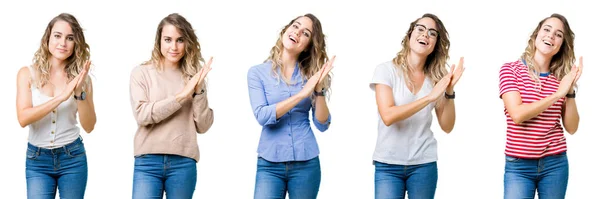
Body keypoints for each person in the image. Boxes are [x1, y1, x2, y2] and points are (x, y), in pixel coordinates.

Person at [369, 13, 464, 199]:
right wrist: (429, 98)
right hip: (388, 164)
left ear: (435, 44)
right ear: (410, 35)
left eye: (432, 33)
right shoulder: (385, 70)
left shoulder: (436, 77)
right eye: (420, 29)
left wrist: (449, 91)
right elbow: (388, 116)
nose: (425, 35)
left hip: (424, 164)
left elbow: (447, 126)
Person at [247, 13, 335, 199]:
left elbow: (322, 124)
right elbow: (262, 116)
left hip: (307, 163)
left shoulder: (310, 76)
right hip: (270, 164)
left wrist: (318, 90)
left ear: (308, 46)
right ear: (285, 30)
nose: (297, 32)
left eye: (306, 33)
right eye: (295, 26)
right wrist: (302, 94)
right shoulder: (257, 73)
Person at [129, 13, 214, 199]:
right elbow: (143, 115)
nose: (173, 47)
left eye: (180, 40)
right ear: (159, 41)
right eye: (168, 40)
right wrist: (183, 95)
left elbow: (203, 126)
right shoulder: (142, 73)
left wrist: (198, 91)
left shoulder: (193, 77)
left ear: (187, 43)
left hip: (183, 162)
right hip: (148, 162)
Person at [499, 13, 582, 199]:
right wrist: (558, 94)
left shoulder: (561, 79)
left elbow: (572, 127)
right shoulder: (510, 70)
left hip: (555, 164)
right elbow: (517, 115)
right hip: (518, 166)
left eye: (558, 34)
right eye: (547, 29)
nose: (551, 36)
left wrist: (569, 91)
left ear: (561, 45)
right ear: (536, 35)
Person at [16, 13, 96, 199]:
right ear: (48, 38)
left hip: (73, 157)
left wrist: (78, 93)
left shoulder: (83, 79)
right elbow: (23, 118)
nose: (63, 43)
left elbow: (89, 126)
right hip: (37, 160)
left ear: (76, 43)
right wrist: (62, 96)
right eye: (57, 36)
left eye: (70, 38)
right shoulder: (27, 74)